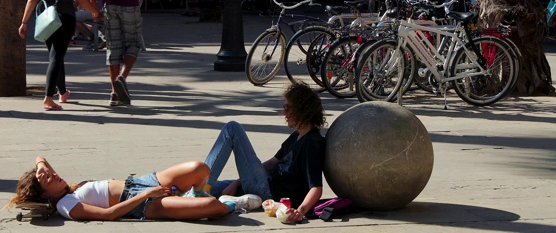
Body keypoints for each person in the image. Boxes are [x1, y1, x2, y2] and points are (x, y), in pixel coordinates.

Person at [203, 82, 326, 223]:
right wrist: (237, 182)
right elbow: (272, 163)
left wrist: (299, 212)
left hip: (270, 191)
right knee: (209, 189)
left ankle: (200, 189)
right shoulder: (296, 136)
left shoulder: (312, 143)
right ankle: (194, 191)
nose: (283, 113)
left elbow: (316, 188)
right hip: (263, 182)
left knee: (232, 129)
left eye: (287, 108)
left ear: (302, 110)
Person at [4, 156, 261, 221]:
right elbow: (109, 215)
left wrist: (40, 167)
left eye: (50, 173)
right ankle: (232, 203)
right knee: (213, 208)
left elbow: (41, 156)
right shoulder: (65, 206)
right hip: (144, 204)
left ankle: (193, 196)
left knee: (200, 168)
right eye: (48, 179)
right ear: (44, 195)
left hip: (142, 182)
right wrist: (146, 196)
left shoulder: (64, 190)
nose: (54, 174)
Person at [18, 0, 102, 111]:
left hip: (47, 20)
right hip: (65, 19)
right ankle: (48, 98)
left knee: (56, 55)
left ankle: (62, 92)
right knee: (56, 57)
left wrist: (24, 21)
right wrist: (95, 11)